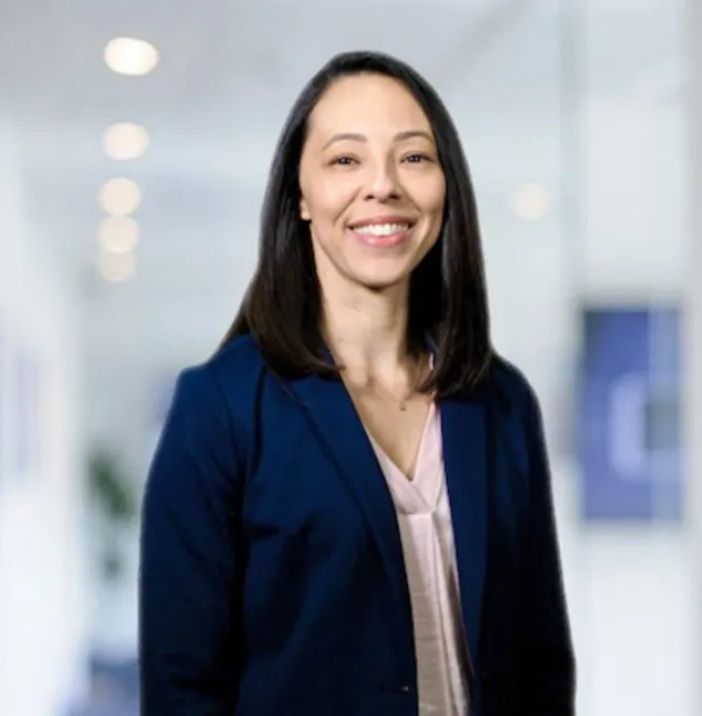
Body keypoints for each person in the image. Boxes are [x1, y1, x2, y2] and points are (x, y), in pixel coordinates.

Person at [139, 50, 576, 716]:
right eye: (345, 160)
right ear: (301, 196)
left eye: (414, 158)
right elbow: (184, 690)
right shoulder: (221, 407)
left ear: (446, 186)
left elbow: (542, 662)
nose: (383, 186)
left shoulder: (501, 402)